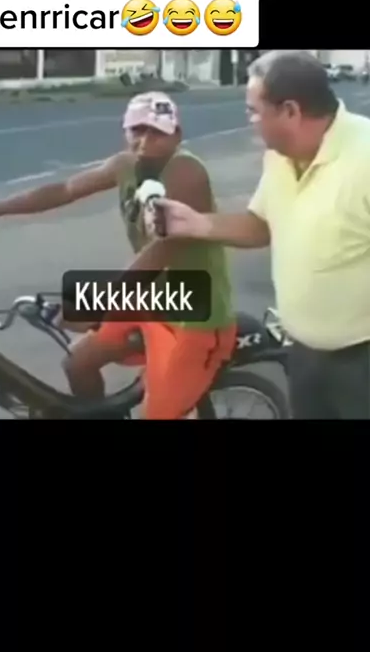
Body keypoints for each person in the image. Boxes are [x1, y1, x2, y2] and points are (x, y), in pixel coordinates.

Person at [0, 92, 236, 420]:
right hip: (153, 296)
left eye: (157, 132)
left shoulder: (186, 172)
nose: (145, 142)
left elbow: (167, 247)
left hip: (196, 310)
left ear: (177, 135)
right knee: (78, 363)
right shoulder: (125, 166)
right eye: (137, 130)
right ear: (125, 132)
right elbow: (65, 190)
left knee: (158, 415)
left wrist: (103, 300)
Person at [154, 51, 370, 420]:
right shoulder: (281, 156)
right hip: (304, 355)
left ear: (290, 111)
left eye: (254, 110)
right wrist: (195, 224)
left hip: (360, 364)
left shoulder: (363, 158)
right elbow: (261, 225)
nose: (250, 120)